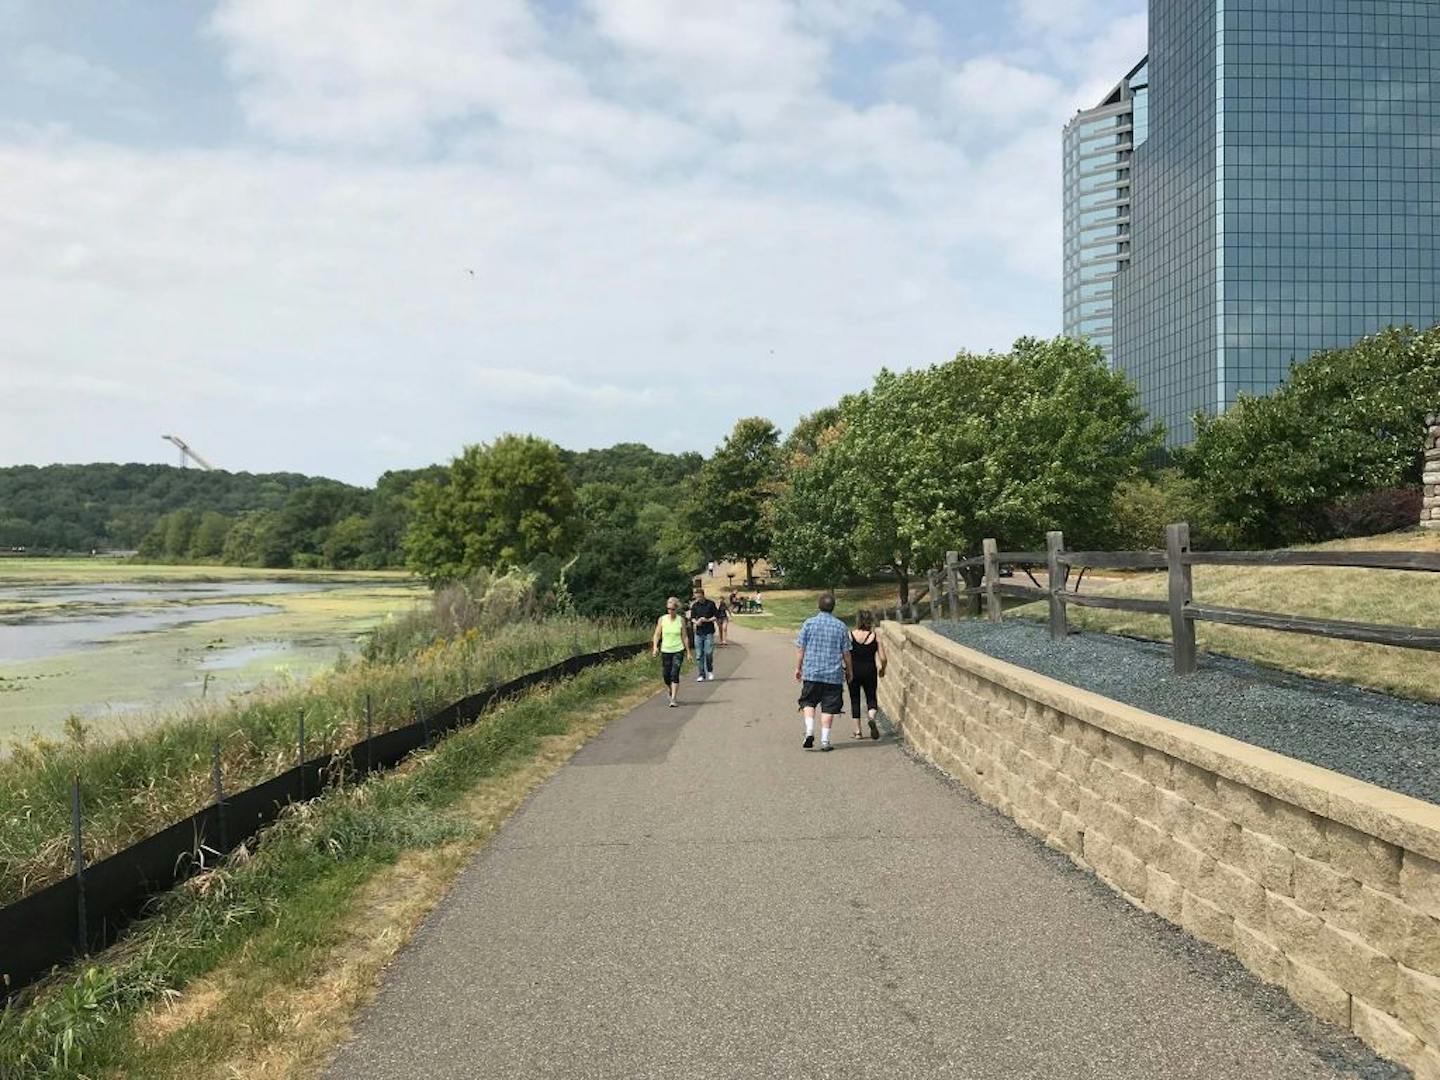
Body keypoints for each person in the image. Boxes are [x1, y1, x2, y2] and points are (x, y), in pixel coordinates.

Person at [794, 593, 852, 751]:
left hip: (812, 671)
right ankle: (825, 740)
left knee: (808, 702)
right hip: (833, 674)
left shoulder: (809, 624)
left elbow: (801, 648)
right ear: (833, 607)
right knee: (829, 707)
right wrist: (849, 671)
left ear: (819, 606)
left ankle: (809, 731)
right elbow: (846, 653)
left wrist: (798, 668)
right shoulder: (841, 626)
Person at [848, 609, 886, 740]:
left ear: (858, 620)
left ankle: (858, 731)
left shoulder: (850, 635)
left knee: (855, 699)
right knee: (871, 697)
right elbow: (883, 658)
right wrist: (883, 669)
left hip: (853, 670)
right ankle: (871, 717)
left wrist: (845, 668)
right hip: (870, 670)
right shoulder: (875, 637)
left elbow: (845, 654)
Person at [652, 597, 691, 707]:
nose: (670, 611)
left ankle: (673, 698)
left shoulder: (681, 620)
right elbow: (657, 634)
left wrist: (688, 652)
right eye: (668, 609)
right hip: (666, 650)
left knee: (675, 673)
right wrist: (655, 647)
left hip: (678, 650)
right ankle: (669, 689)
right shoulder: (662, 619)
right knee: (666, 675)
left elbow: (685, 636)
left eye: (672, 609)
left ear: (676, 609)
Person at [690, 586, 719, 680]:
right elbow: (692, 618)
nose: (698, 599)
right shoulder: (695, 606)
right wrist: (696, 621)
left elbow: (716, 616)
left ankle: (710, 670)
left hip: (708, 631)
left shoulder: (710, 604)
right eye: (696, 597)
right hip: (698, 632)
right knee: (699, 654)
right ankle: (701, 674)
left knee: (708, 652)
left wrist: (707, 620)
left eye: (699, 597)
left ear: (703, 595)